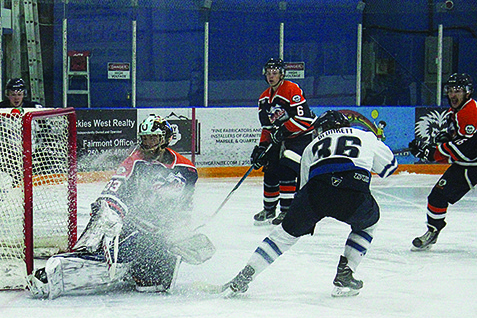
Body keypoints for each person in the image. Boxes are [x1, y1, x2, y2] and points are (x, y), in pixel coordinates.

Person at [28, 114, 212, 299]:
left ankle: (140, 266)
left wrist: (181, 234)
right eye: (145, 138)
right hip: (134, 228)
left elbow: (185, 205)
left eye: (153, 138)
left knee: (153, 283)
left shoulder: (186, 169)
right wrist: (108, 212)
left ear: (164, 139)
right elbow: (112, 192)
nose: (147, 143)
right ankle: (58, 270)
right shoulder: (135, 161)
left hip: (162, 234)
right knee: (113, 255)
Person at [224, 110, 398, 298]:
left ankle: (246, 274)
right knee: (368, 224)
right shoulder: (365, 136)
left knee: (283, 236)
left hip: (316, 192)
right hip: (352, 189)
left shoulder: (311, 146)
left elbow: (304, 187)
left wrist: (303, 219)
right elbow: (389, 168)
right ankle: (346, 272)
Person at [409, 73, 477, 250]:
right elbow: (454, 140)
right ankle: (433, 231)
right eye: (450, 90)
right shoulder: (453, 112)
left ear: (468, 92)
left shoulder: (471, 111)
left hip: (470, 160)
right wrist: (437, 143)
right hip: (467, 165)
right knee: (437, 196)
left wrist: (431, 153)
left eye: (458, 90)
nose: (453, 95)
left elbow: (466, 149)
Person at [251, 58, 316, 225]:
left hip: (303, 136)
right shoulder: (264, 98)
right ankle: (269, 209)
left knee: (286, 168)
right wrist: (262, 147)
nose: (271, 76)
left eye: (275, 73)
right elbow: (267, 127)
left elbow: (305, 119)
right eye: (268, 73)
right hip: (283, 137)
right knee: (270, 168)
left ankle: (287, 210)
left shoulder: (291, 89)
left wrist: (284, 130)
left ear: (282, 74)